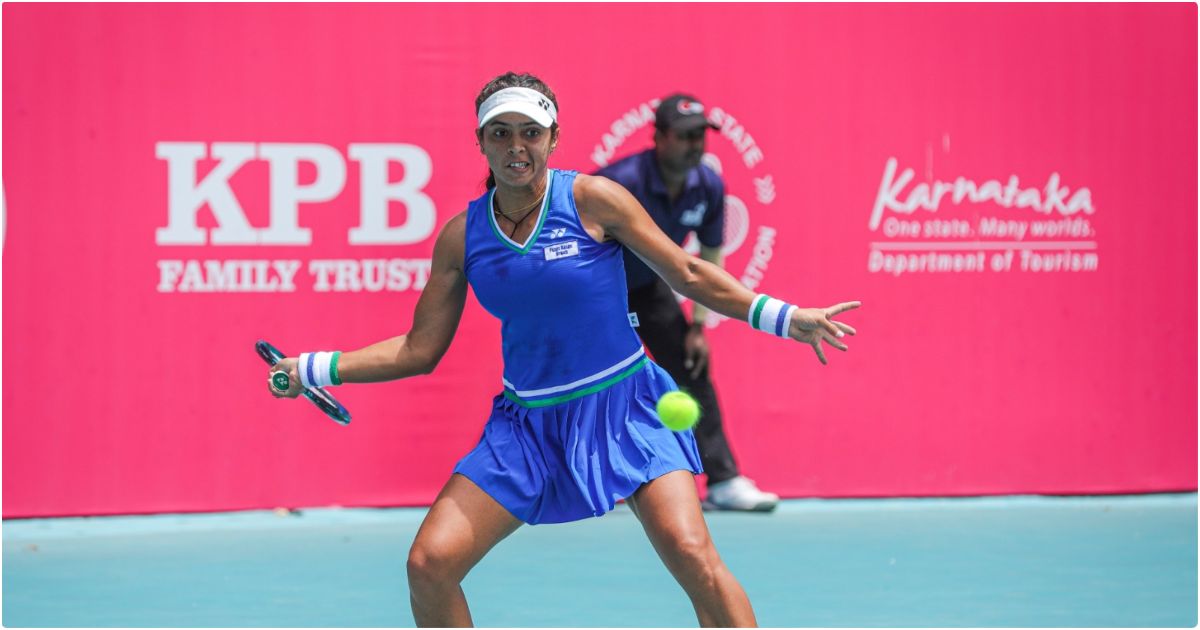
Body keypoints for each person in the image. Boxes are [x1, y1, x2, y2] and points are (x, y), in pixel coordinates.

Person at [266, 71, 859, 628]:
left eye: (530, 132)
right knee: (429, 564)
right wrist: (314, 368)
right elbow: (419, 350)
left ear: (553, 138)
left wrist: (784, 317)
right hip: (527, 428)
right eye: (501, 133)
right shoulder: (462, 237)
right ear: (480, 142)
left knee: (691, 552)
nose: (516, 146)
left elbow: (688, 271)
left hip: (627, 407)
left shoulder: (594, 200)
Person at [596, 93, 778, 512]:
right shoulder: (620, 182)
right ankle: (583, 479)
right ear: (659, 137)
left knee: (691, 366)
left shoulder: (708, 185)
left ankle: (723, 481)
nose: (694, 144)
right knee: (590, 381)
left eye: (700, 135)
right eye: (684, 136)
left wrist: (699, 325)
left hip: (648, 286)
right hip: (598, 292)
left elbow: (710, 256)